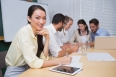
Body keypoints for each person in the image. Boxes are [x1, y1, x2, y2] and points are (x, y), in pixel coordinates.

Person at [4, 5, 71, 77]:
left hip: (29, 70)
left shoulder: (37, 32)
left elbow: (43, 57)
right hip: (15, 72)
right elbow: (33, 62)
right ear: (29, 18)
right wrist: (60, 61)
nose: (42, 22)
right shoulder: (24, 32)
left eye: (44, 18)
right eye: (37, 18)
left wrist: (47, 38)